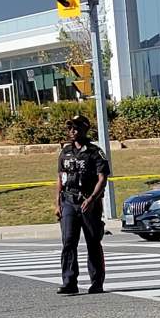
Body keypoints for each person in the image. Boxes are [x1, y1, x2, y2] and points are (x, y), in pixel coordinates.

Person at [55, 115, 109, 295]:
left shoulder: (95, 152)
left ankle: (97, 282)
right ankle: (69, 282)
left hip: (89, 203)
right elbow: (60, 178)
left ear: (85, 129)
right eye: (70, 128)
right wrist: (57, 204)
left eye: (76, 128)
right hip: (69, 201)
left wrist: (92, 199)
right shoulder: (65, 152)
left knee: (93, 242)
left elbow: (102, 178)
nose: (72, 131)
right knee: (68, 242)